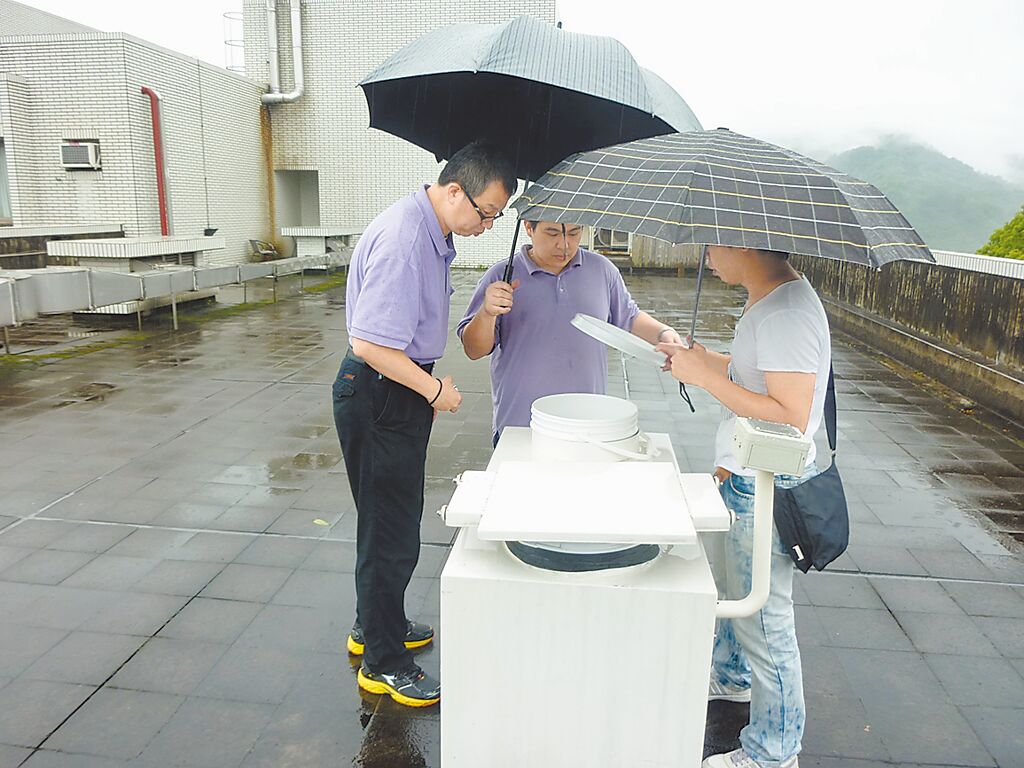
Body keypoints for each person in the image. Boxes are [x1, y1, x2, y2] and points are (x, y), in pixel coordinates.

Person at [332, 140, 516, 707]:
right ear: (455, 191)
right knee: (390, 533)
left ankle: (374, 626)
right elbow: (369, 344)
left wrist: (423, 386)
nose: (488, 225)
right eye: (486, 212)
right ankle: (384, 662)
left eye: (497, 217)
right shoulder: (407, 241)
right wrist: (434, 390)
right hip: (382, 391)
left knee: (387, 523)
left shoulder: (432, 231)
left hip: (393, 389)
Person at [657, 245, 831, 768]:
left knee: (765, 624)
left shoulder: (785, 313)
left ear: (745, 241)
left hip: (764, 484)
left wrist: (704, 378)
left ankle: (774, 752)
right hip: (748, 475)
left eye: (714, 242)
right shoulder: (770, 300)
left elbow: (791, 416)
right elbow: (756, 373)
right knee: (738, 597)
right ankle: (732, 679)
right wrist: (700, 360)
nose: (707, 254)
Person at [458, 219, 683, 441]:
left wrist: (663, 333)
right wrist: (487, 313)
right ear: (528, 228)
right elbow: (473, 350)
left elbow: (630, 316)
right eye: (552, 233)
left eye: (574, 233)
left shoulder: (601, 270)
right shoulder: (501, 276)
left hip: (588, 426)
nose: (564, 244)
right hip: (520, 425)